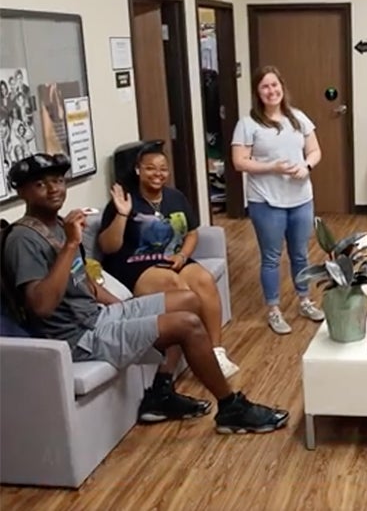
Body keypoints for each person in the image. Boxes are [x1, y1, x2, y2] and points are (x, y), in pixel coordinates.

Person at [2, 153, 287, 432]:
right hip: (78, 338)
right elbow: (40, 306)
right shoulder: (23, 239)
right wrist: (69, 246)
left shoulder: (61, 225)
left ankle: (160, 393)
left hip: (98, 317)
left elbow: (85, 284)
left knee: (187, 300)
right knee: (186, 325)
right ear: (22, 192)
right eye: (41, 184)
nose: (54, 189)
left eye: (58, 181)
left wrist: (124, 308)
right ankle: (231, 408)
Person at [97, 143, 238, 377]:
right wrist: (122, 213)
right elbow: (108, 247)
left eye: (163, 169)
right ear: (138, 170)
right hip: (135, 264)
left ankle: (216, 351)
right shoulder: (124, 200)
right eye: (150, 168)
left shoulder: (175, 197)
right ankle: (195, 353)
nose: (158, 174)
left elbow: (192, 232)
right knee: (176, 287)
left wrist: (183, 254)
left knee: (203, 280)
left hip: (173, 258)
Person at [231, 65, 325, 334]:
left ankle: (304, 300)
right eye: (265, 87)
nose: (271, 91)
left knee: (300, 254)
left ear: (282, 87)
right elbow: (239, 162)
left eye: (275, 85)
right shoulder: (248, 124)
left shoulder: (298, 118)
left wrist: (306, 166)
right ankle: (274, 309)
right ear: (257, 93)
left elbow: (315, 150)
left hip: (301, 198)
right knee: (271, 257)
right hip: (266, 201)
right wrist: (273, 167)